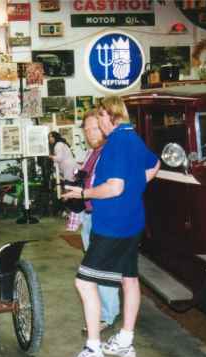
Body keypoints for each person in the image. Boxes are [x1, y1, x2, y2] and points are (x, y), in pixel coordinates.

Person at [62, 96, 160, 357]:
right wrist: (136, 188)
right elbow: (155, 164)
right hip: (133, 223)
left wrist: (84, 192)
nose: (99, 123)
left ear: (110, 116)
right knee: (129, 280)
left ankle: (93, 350)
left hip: (112, 227)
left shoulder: (116, 141)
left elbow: (114, 187)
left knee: (84, 282)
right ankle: (125, 342)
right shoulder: (133, 137)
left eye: (100, 116)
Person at [79, 111, 120, 334]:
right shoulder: (94, 152)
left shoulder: (110, 152)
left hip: (103, 219)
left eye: (94, 128)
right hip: (90, 217)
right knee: (97, 270)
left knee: (102, 269)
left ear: (104, 127)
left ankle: (108, 315)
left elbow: (114, 187)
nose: (89, 133)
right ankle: (106, 311)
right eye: (86, 129)